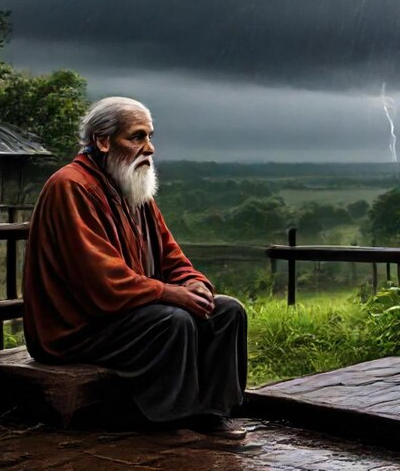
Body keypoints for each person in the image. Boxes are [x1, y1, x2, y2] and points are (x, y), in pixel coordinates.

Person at [23, 96, 247, 439]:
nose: (150, 148)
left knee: (228, 311)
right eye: (137, 137)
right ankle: (171, 421)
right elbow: (100, 280)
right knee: (174, 320)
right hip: (78, 327)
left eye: (150, 136)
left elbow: (171, 255)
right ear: (102, 140)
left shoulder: (131, 185)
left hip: (123, 313)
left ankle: (214, 413)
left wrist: (192, 282)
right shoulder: (71, 186)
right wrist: (170, 293)